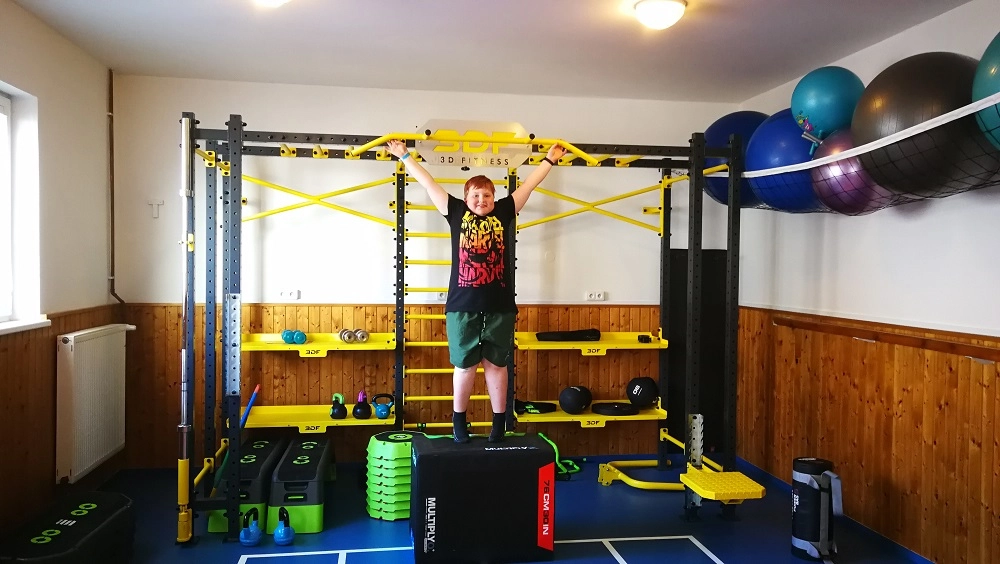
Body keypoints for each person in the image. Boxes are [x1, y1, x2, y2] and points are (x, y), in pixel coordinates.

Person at [385, 138, 567, 443]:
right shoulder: (455, 211)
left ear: (494, 198)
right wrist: (405, 156)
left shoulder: (505, 211)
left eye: (487, 195)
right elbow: (429, 183)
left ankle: (499, 422)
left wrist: (549, 160)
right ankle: (459, 421)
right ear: (466, 198)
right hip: (462, 306)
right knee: (465, 365)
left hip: (500, 306)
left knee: (497, 365)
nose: (481, 199)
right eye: (475, 195)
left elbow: (529, 185)